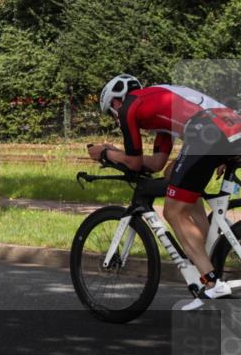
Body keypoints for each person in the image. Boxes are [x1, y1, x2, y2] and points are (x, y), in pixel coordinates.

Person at [90, 75, 241, 308]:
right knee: (176, 178)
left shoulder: (129, 107)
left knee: (172, 211)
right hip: (227, 126)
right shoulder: (158, 104)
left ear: (116, 102)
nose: (115, 118)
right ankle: (210, 261)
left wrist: (105, 153)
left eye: (111, 112)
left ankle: (212, 286)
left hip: (206, 129)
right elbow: (157, 163)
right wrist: (119, 154)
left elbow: (133, 162)